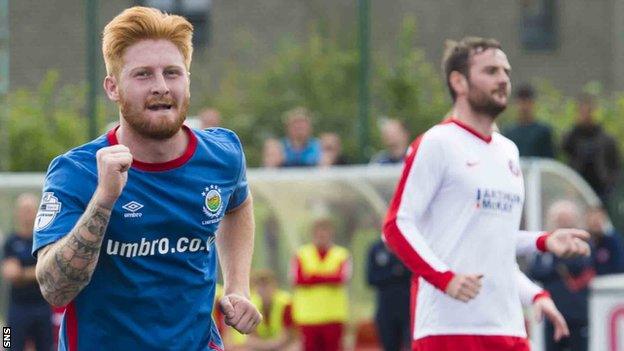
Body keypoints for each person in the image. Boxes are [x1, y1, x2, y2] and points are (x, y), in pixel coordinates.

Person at [32, 7, 261, 350]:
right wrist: (104, 200)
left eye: (172, 73)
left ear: (187, 79)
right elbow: (54, 289)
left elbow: (238, 206)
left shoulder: (223, 153)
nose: (161, 87)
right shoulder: (76, 171)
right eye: (142, 75)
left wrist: (237, 288)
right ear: (113, 87)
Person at [382, 37, 591, 351]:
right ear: (459, 81)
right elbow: (396, 226)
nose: (504, 79)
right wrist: (445, 277)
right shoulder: (438, 142)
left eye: (506, 71)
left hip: (507, 327)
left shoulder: (508, 151)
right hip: (448, 329)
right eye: (491, 71)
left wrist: (542, 247)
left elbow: (495, 244)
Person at [530, 201, 594, 351]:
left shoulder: (582, 241)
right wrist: (559, 265)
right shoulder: (546, 244)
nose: (563, 223)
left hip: (577, 314)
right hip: (552, 312)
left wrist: (557, 263)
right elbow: (535, 271)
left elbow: (580, 265)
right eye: (560, 219)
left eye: (567, 219)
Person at [2, 193, 53, 351]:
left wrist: (23, 273)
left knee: (46, 347)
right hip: (15, 308)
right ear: (17, 213)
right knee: (7, 343)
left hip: (42, 307)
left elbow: (49, 270)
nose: (26, 214)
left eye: (30, 210)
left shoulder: (45, 240)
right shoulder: (10, 242)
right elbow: (10, 273)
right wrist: (38, 271)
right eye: (23, 210)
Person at [291, 218, 350, 351]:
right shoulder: (301, 254)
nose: (322, 236)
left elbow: (340, 279)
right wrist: (328, 277)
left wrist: (313, 276)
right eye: (319, 233)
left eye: (325, 232)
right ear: (313, 234)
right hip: (308, 316)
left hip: (333, 315)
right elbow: (299, 280)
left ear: (331, 233)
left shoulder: (341, 254)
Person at [562, 93, 621, 202]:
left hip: (602, 191)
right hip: (578, 189)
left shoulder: (607, 139)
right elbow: (564, 150)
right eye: (582, 112)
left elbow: (615, 167)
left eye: (589, 111)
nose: (586, 115)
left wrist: (610, 187)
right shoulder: (573, 137)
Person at [366, 239, 411, 351]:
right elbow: (371, 279)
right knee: (389, 346)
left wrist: (392, 273)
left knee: (411, 345)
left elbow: (413, 273)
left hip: (408, 309)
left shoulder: (408, 245)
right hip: (385, 310)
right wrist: (394, 273)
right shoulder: (376, 249)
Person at [240, 269, 298, 351]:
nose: (264, 290)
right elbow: (250, 338)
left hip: (284, 345)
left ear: (275, 286)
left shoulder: (286, 303)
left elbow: (289, 335)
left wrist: (268, 346)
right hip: (264, 345)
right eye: (260, 286)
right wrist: (266, 346)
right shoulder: (252, 304)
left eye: (267, 285)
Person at [502, 84, 555, 158]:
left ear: (533, 104)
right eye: (521, 103)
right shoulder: (509, 132)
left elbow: (549, 160)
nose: (524, 107)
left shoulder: (543, 131)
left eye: (528, 102)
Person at [586, 206, 624, 275]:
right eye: (592, 219)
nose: (595, 222)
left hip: (609, 281)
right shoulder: (585, 240)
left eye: (598, 219)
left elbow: (619, 264)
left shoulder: (613, 239)